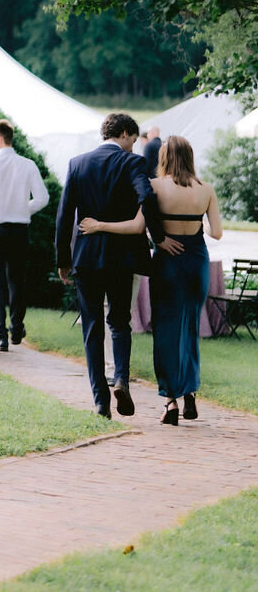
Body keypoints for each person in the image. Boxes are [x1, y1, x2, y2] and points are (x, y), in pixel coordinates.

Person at [79, 135, 222, 425]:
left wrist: (99, 225)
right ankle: (190, 392)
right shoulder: (206, 189)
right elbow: (216, 232)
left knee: (165, 330)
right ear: (190, 157)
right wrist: (200, 222)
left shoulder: (154, 186)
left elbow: (136, 227)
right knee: (189, 328)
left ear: (164, 158)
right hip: (196, 261)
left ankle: (171, 402)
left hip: (168, 262)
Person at [56, 112, 175, 419]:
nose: (133, 147)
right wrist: (158, 237)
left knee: (92, 328)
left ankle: (100, 401)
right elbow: (147, 198)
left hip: (86, 257)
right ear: (123, 133)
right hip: (122, 258)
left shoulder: (77, 164)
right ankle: (121, 377)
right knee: (120, 322)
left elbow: (64, 214)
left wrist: (63, 260)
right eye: (133, 140)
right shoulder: (132, 163)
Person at [0, 119, 50, 351]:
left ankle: (0, 336)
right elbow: (42, 198)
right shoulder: (28, 165)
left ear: (0, 138)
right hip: (19, 230)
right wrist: (22, 208)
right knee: (17, 280)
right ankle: (17, 329)